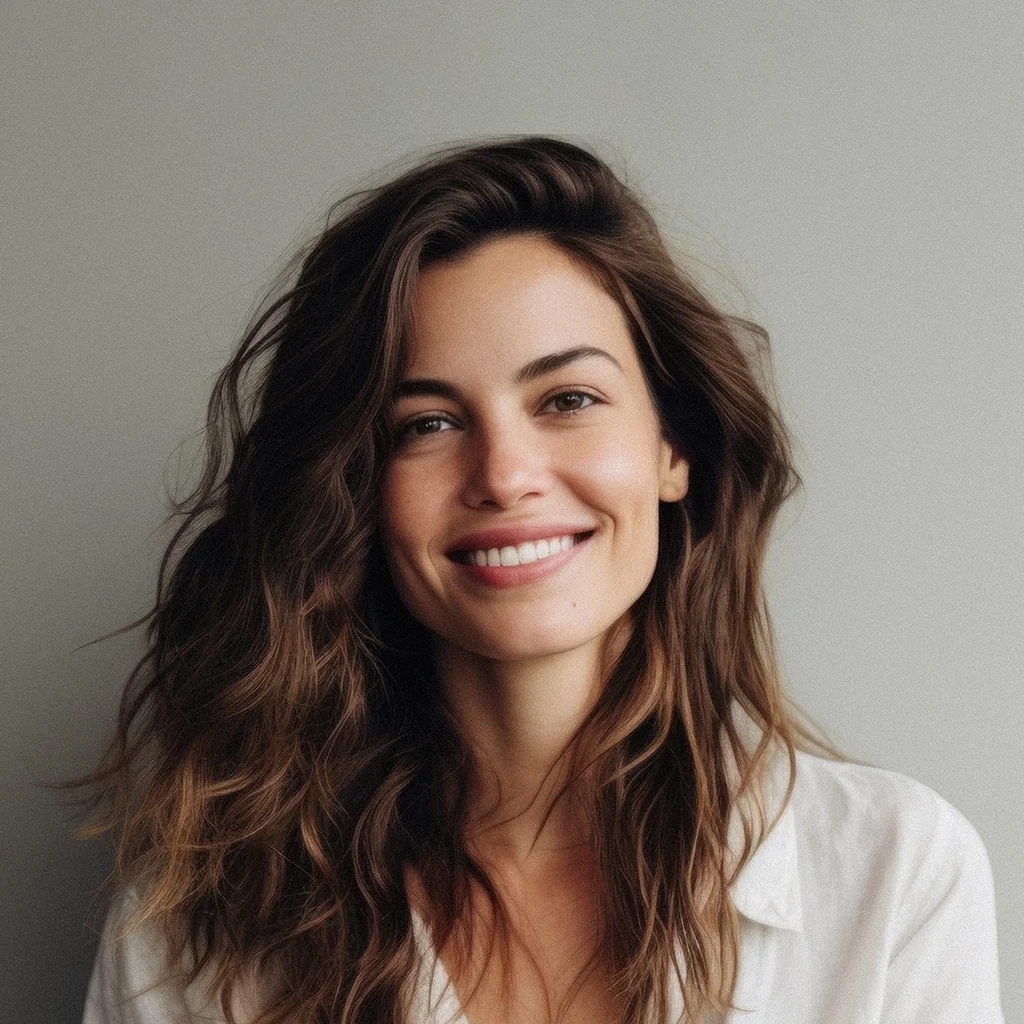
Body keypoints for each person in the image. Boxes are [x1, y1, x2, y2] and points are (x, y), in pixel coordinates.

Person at [73, 136, 1003, 1024]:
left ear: (673, 448)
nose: (505, 474)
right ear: (357, 487)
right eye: (427, 424)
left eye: (568, 400)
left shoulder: (894, 876)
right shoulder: (197, 928)